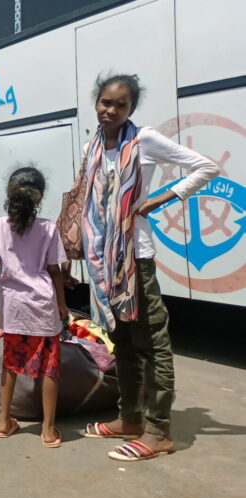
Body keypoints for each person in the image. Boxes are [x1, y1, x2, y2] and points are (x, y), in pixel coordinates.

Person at [78, 74, 218, 462]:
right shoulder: (93, 145)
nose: (111, 110)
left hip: (135, 258)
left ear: (131, 110)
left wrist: (162, 197)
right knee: (121, 341)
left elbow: (206, 167)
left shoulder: (144, 141)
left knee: (153, 344)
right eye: (106, 102)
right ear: (96, 102)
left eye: (120, 105)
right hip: (106, 261)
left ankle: (159, 432)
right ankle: (131, 418)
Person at [0, 167, 69, 448]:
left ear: (9, 193)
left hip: (13, 308)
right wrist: (62, 305)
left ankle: (4, 422)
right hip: (42, 306)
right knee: (49, 369)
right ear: (39, 197)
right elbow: (55, 271)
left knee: (10, 365)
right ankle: (49, 430)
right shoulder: (48, 228)